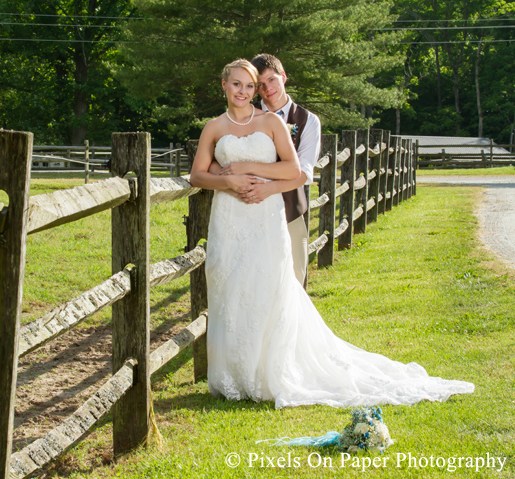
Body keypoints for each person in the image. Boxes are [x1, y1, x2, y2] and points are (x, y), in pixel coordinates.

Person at [189, 59, 474, 408]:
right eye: (239, 85)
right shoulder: (213, 127)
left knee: (266, 289)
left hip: (267, 216)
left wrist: (251, 175)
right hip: (229, 218)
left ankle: (268, 373)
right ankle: (232, 376)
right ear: (223, 84)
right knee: (230, 288)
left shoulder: (273, 122)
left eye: (251, 86)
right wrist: (228, 182)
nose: (246, 91)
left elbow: (297, 171)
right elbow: (197, 175)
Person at [209, 54, 319, 287]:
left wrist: (268, 189)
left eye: (272, 79)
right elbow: (216, 153)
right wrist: (230, 178)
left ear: (284, 77)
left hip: (289, 209)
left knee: (293, 281)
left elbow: (303, 173)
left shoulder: (308, 120)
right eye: (260, 84)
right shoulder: (243, 110)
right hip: (242, 209)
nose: (267, 88)